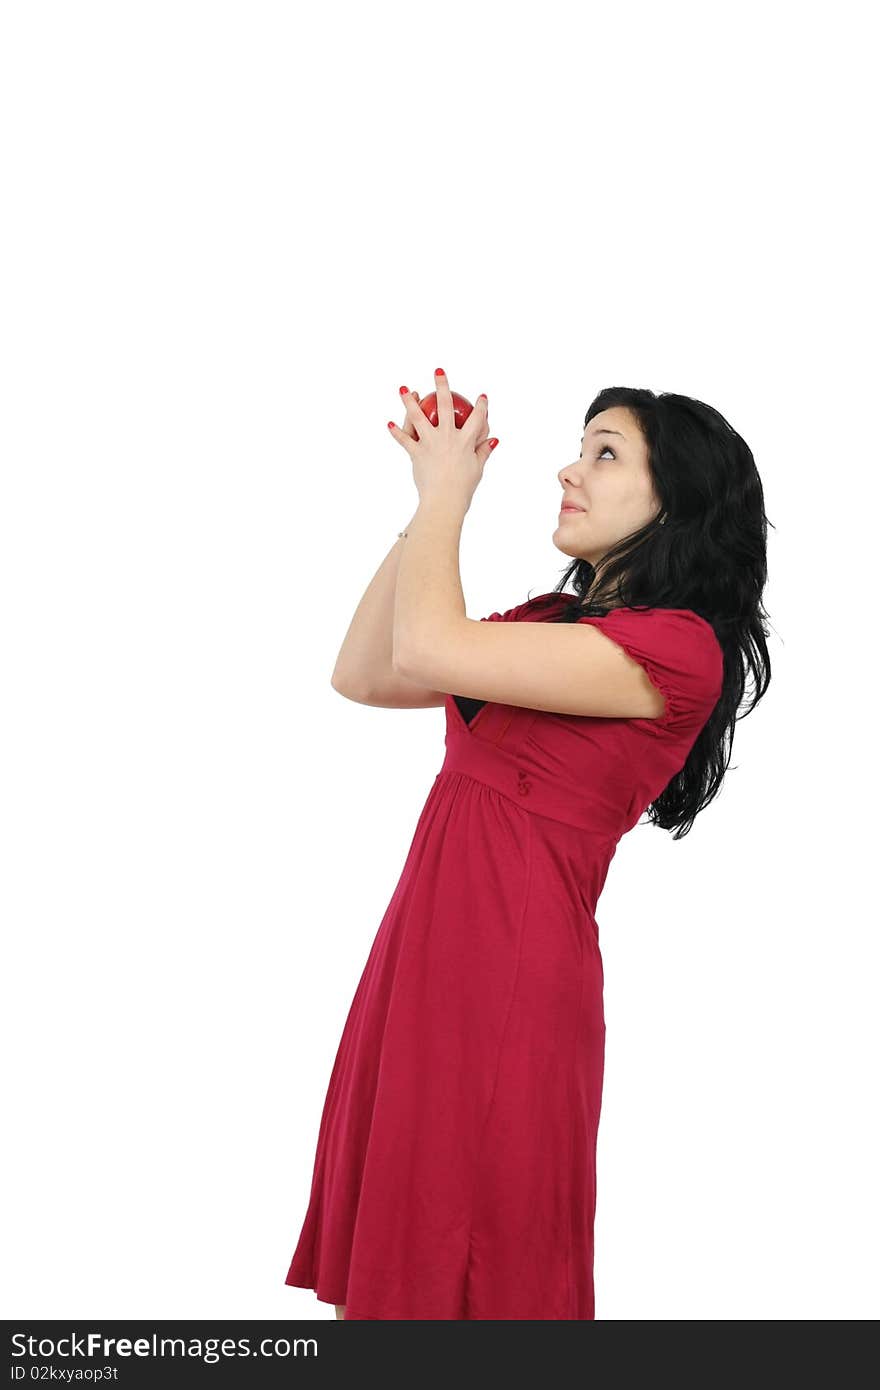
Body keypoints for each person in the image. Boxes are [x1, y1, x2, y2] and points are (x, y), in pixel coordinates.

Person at [284, 370, 771, 1320]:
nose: (568, 470)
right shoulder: (554, 623)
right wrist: (421, 515)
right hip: (426, 963)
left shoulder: (680, 649)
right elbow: (369, 671)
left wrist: (445, 499)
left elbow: (426, 648)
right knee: (400, 1268)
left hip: (506, 983)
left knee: (477, 1271)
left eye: (605, 453)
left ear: (677, 502)